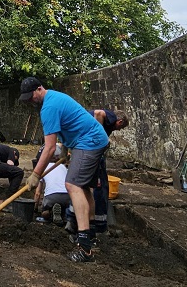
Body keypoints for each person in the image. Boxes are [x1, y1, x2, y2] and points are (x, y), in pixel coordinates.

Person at [19, 76, 109, 263]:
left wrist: (36, 174)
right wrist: (66, 150)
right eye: (26, 98)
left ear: (39, 89)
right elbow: (68, 123)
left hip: (88, 142)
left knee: (73, 185)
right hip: (92, 140)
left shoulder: (49, 107)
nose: (29, 100)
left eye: (31, 96)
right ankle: (90, 234)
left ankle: (84, 247)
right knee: (84, 188)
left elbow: (49, 147)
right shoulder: (54, 98)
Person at [33, 144, 70, 224]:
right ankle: (65, 215)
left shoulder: (43, 169)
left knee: (44, 213)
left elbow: (38, 193)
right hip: (67, 195)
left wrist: (35, 209)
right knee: (66, 207)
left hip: (52, 196)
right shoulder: (63, 167)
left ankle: (49, 212)